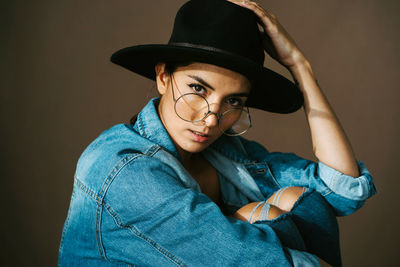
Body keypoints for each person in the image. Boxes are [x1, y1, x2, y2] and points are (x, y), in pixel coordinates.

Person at [58, 0, 376, 266]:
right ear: (163, 76)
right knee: (259, 215)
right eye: (198, 89)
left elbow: (343, 190)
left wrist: (300, 67)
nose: (211, 119)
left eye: (233, 101)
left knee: (301, 201)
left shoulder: (224, 154)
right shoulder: (122, 169)